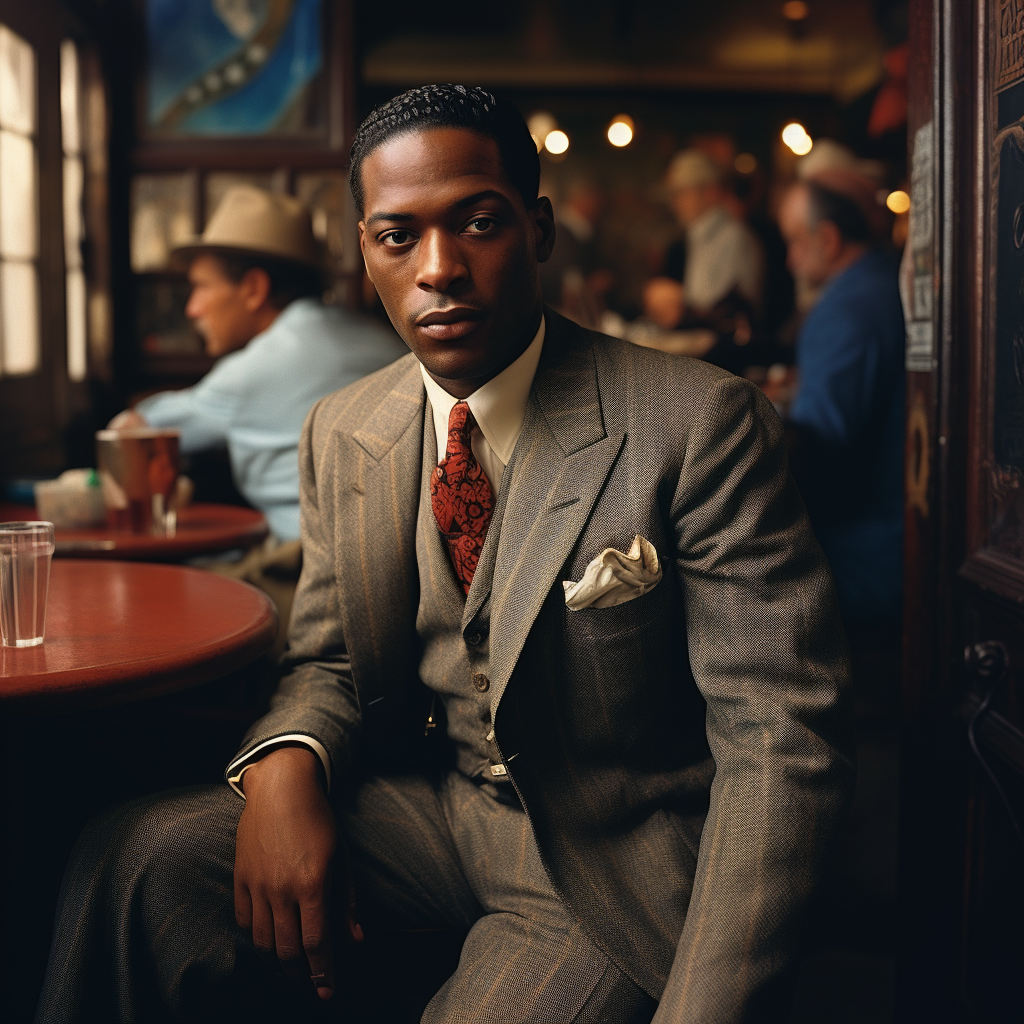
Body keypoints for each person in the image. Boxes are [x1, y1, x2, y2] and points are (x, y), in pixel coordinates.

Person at [38, 86, 853, 1024]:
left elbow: (780, 741)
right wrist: (285, 765)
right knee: (130, 859)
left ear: (538, 230)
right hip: (429, 812)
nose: (439, 269)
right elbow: (329, 658)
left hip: (606, 865)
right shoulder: (343, 429)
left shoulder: (699, 423)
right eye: (398, 237)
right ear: (365, 253)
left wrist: (706, 1006)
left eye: (478, 222)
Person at [112, 185, 407, 543]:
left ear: (253, 288)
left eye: (202, 287)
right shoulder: (378, 336)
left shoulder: (256, 368)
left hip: (315, 567)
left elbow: (131, 430)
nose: (192, 308)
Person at [777, 171, 904, 636]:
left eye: (793, 241)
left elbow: (819, 454)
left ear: (827, 239)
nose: (789, 260)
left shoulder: (845, 308)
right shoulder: (888, 275)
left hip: (877, 548)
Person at [643, 148, 763, 328]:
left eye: (681, 193)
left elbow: (724, 313)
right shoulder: (699, 235)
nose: (674, 203)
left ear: (710, 192)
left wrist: (677, 303)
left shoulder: (733, 237)